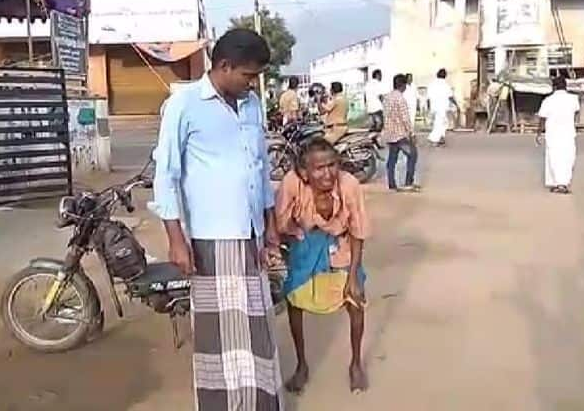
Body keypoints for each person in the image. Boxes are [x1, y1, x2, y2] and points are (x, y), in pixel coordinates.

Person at [150, 28, 284, 411]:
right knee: (219, 336)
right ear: (224, 66)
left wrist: (271, 225)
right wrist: (176, 240)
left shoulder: (252, 105)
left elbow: (260, 170)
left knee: (255, 330)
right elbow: (167, 176)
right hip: (211, 240)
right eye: (247, 75)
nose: (252, 83)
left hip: (251, 236)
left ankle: (259, 402)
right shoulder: (184, 105)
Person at [275, 137, 369, 394]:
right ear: (305, 172)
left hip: (342, 245)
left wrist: (352, 278)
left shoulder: (349, 185)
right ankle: (302, 365)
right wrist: (298, 239)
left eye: (332, 165)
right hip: (305, 243)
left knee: (356, 300)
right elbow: (281, 224)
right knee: (294, 299)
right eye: (319, 168)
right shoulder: (292, 184)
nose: (327, 173)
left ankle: (356, 364)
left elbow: (358, 230)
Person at [537, 76, 579, 194]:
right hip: (568, 133)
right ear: (565, 86)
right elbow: (576, 113)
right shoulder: (574, 99)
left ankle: (558, 183)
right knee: (568, 158)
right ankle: (563, 183)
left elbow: (542, 118)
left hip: (553, 133)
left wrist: (539, 133)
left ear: (554, 87)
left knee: (554, 158)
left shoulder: (548, 100)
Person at [382, 74, 420, 192]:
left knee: (392, 159)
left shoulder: (387, 97)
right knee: (412, 154)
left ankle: (391, 183)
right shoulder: (400, 99)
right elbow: (405, 118)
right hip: (400, 134)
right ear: (403, 85)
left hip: (390, 133)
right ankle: (408, 182)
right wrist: (412, 133)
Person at [427, 68, 458, 146]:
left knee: (442, 123)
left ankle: (441, 137)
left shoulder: (432, 84)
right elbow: (450, 97)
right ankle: (434, 139)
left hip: (434, 106)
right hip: (442, 107)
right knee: (440, 123)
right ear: (445, 75)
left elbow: (428, 97)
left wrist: (429, 107)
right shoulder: (445, 85)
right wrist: (456, 104)